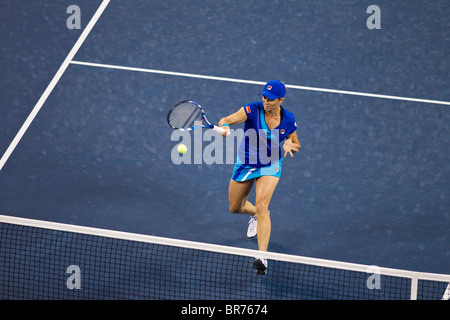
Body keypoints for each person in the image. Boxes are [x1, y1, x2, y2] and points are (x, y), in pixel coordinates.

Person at [217, 80, 301, 274]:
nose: (266, 101)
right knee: (235, 207)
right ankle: (255, 214)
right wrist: (225, 127)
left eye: (271, 99)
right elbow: (225, 119)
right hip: (246, 163)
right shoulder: (250, 110)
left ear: (281, 100)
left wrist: (289, 144)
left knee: (263, 204)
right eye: (264, 97)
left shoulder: (288, 119)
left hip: (270, 164)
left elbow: (295, 142)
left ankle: (262, 257)